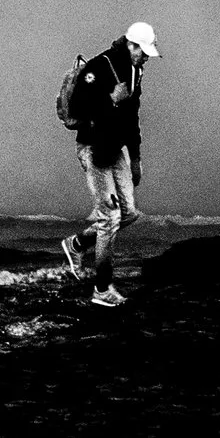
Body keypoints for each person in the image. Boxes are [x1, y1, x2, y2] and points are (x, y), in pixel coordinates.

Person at [57, 21, 158, 305]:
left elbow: (132, 116)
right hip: (92, 147)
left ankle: (76, 245)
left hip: (116, 149)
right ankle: (102, 290)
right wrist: (110, 100)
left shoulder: (135, 71)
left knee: (129, 213)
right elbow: (77, 107)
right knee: (109, 218)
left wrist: (136, 158)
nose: (147, 57)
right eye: (144, 51)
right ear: (131, 45)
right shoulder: (99, 67)